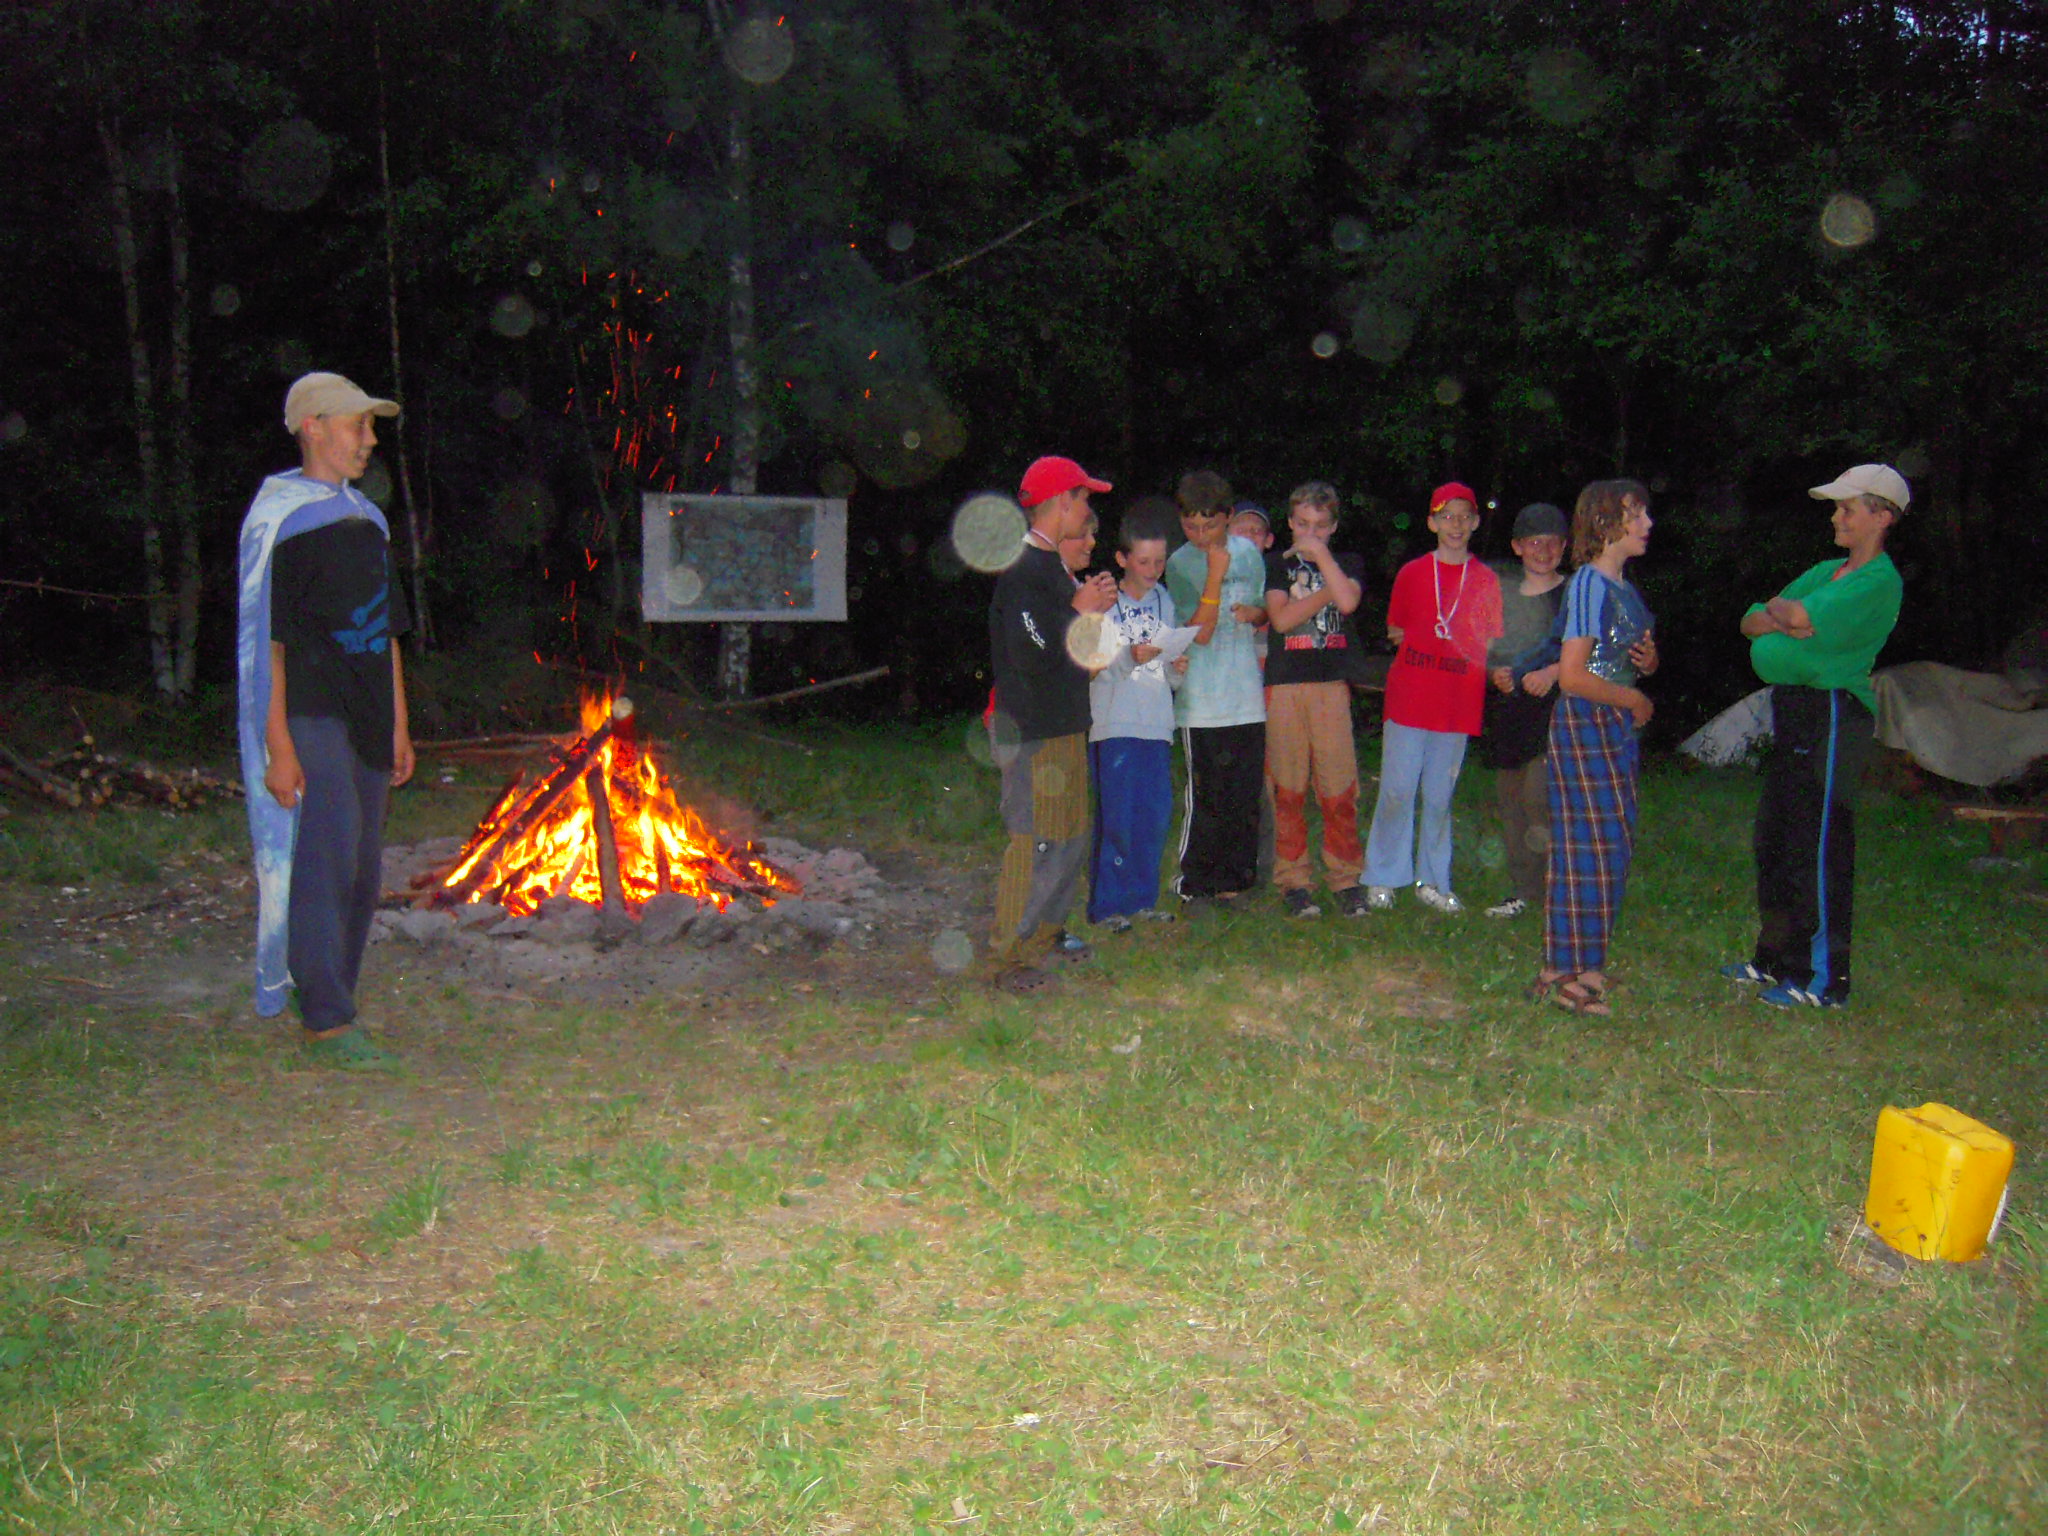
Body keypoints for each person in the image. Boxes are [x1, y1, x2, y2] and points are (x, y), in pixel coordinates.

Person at [235, 372, 415, 1067]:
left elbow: (388, 634)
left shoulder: (368, 522)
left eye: (372, 427)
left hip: (368, 714)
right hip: (311, 713)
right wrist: (277, 746)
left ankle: (332, 990)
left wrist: (399, 724)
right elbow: (268, 645)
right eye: (357, 424)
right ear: (313, 427)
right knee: (327, 856)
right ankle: (327, 1020)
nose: (370, 440)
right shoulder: (282, 523)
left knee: (363, 869)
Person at [1723, 464, 1907, 1008]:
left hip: (1833, 712)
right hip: (1797, 707)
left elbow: (1796, 612)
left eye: (1847, 508)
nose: (1836, 517)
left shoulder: (1878, 580)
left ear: (1881, 516)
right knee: (1775, 839)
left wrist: (1791, 615)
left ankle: (1824, 981)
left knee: (1818, 844)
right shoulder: (1829, 570)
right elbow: (1751, 620)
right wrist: (1788, 620)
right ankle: (1774, 959)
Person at [987, 455, 1118, 991]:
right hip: (1031, 732)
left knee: (1068, 838)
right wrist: (1079, 611)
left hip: (1063, 724)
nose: (1087, 512)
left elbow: (1070, 654)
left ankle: (1043, 938)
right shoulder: (1022, 570)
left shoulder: (1053, 570)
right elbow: (1032, 651)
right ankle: (1008, 958)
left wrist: (1092, 618)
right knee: (1034, 842)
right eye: (1084, 499)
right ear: (1063, 501)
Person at [1532, 480, 1658, 1016]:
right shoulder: (1588, 583)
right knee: (1584, 847)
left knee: (1611, 845)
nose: (1648, 524)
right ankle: (1559, 972)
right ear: (1607, 523)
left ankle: (1587, 965)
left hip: (1613, 724)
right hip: (1588, 720)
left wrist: (1647, 663)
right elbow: (1573, 676)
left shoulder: (1623, 587)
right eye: (1637, 515)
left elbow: (1625, 655)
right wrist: (1633, 697)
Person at [1362, 482, 1502, 912]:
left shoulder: (1485, 579)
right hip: (1410, 698)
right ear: (1432, 522)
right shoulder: (1413, 573)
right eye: (1446, 516)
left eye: (1464, 517)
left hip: (1456, 701)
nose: (1455, 525)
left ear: (1475, 523)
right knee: (1397, 790)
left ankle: (1433, 880)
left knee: (1439, 797)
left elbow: (1490, 642)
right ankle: (1384, 875)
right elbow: (1397, 630)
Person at [1262, 481, 1367, 917]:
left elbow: (1349, 601)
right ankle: (1294, 879)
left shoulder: (1348, 562)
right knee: (1287, 788)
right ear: (1290, 522)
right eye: (1303, 524)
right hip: (1285, 686)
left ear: (1334, 527)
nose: (1311, 534)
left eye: (1321, 526)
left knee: (1339, 787)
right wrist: (1326, 593)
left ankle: (1346, 877)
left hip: (1330, 687)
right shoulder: (1275, 565)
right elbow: (1282, 619)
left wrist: (1323, 559)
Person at [1164, 470, 1268, 905]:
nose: (1200, 534)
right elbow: (1199, 633)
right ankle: (1196, 882)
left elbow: (1262, 610)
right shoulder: (1179, 563)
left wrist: (1256, 614)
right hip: (1202, 700)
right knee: (1208, 795)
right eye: (1190, 526)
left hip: (1245, 694)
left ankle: (1235, 880)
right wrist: (1214, 574)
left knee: (1243, 794)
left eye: (1209, 525)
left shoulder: (1249, 554)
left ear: (1228, 517)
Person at [1086, 505, 1182, 930]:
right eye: (1143, 562)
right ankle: (1108, 906)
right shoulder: (1105, 603)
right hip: (1115, 723)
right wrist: (1129, 656)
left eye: (1159, 562)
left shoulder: (1166, 601)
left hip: (1156, 724)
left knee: (1153, 815)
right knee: (1118, 818)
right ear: (1122, 558)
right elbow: (1093, 664)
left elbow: (1169, 670)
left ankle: (1142, 899)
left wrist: (1177, 669)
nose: (1152, 570)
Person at [1481, 503, 1568, 919]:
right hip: (1510, 713)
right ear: (1517, 546)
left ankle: (1560, 885)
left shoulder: (1573, 593)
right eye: (1534, 542)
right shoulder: (1503, 594)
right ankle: (1524, 889)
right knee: (1512, 802)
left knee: (1540, 797)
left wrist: (1554, 671)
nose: (1543, 551)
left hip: (1558, 713)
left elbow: (1590, 649)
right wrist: (1492, 673)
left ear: (1564, 547)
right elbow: (1483, 648)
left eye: (1552, 542)